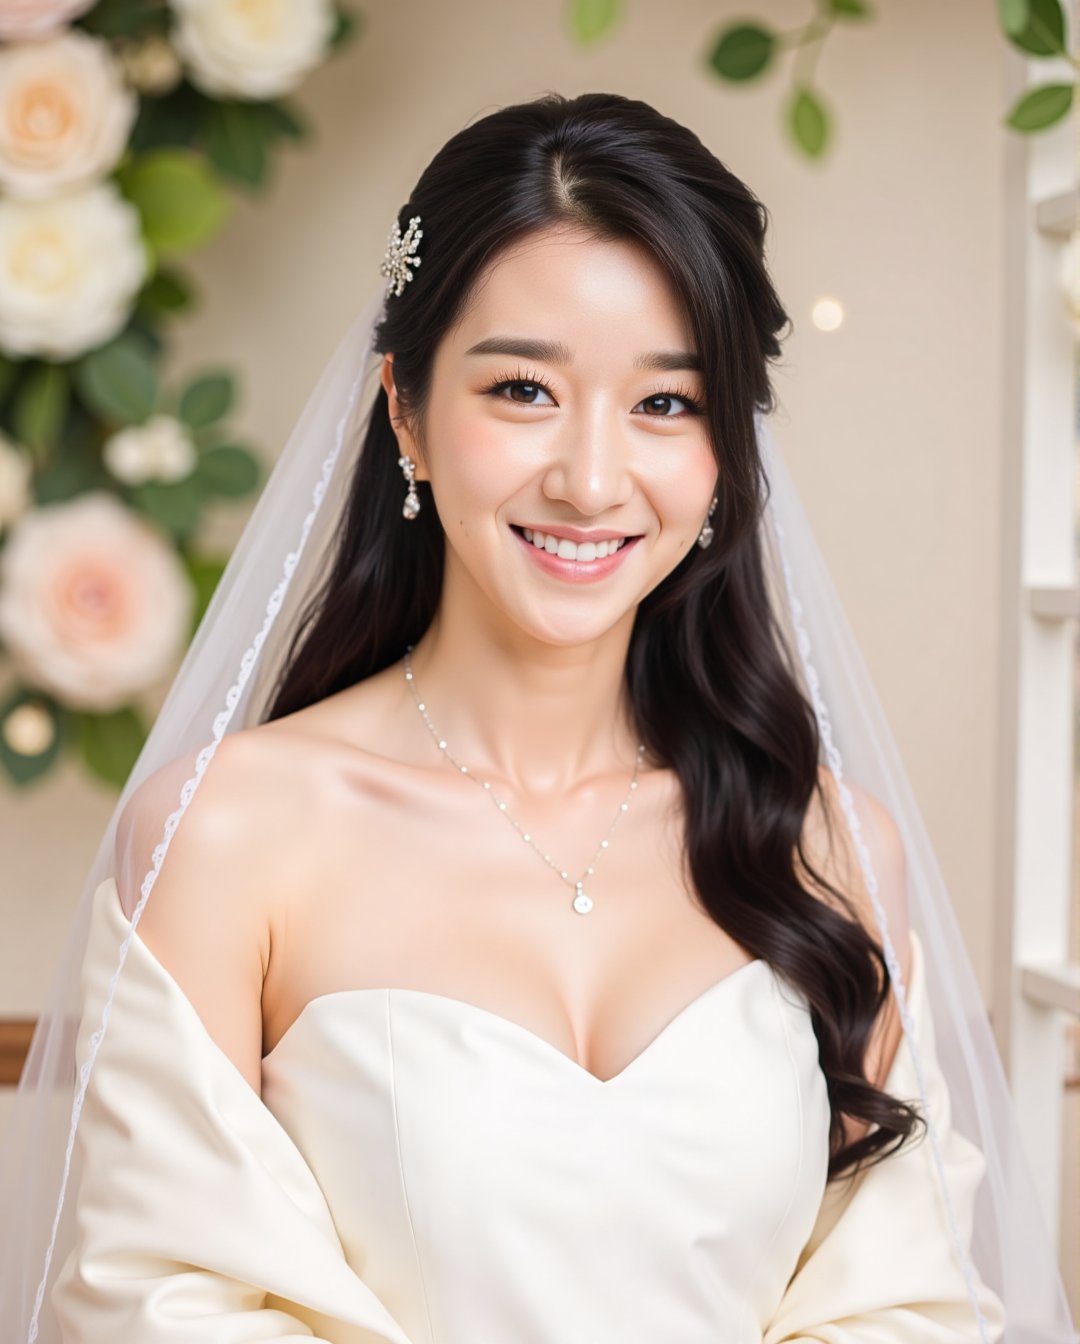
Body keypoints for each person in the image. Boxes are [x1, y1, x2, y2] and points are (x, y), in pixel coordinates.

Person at [1, 90, 1075, 1344]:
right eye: (522, 390)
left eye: (665, 404)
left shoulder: (833, 854)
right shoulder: (228, 834)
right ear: (406, 410)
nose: (591, 478)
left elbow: (911, 1306)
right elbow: (159, 1306)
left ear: (729, 447)